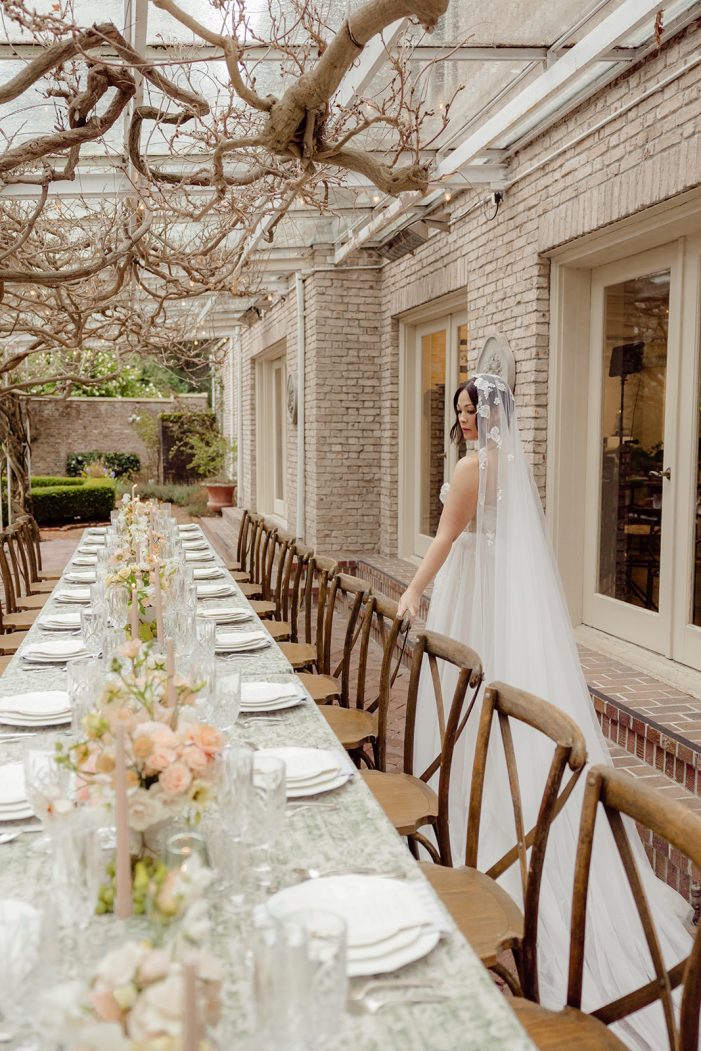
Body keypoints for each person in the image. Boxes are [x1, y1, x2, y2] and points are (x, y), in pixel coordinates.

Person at [398, 374, 690, 1051]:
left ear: (493, 413)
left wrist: (413, 590)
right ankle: (488, 819)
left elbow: (445, 537)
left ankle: (488, 836)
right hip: (492, 593)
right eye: (460, 409)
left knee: (479, 701)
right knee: (489, 697)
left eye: (474, 409)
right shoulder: (508, 467)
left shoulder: (474, 468)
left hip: (472, 589)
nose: (466, 419)